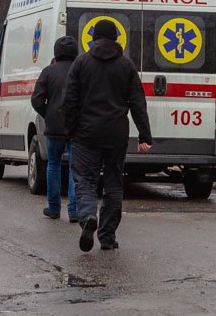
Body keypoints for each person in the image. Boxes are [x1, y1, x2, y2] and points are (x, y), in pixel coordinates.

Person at [64, 19, 152, 253]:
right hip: (116, 134)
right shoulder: (126, 65)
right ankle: (107, 236)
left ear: (94, 38)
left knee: (85, 179)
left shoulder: (81, 62)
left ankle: (87, 216)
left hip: (86, 133)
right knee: (114, 184)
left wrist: (70, 129)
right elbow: (137, 102)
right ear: (116, 39)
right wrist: (145, 135)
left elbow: (70, 99)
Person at [31, 36, 78, 222]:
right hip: (77, 126)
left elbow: (36, 100)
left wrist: (48, 113)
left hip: (54, 125)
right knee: (76, 169)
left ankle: (54, 207)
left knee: (53, 165)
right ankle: (74, 210)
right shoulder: (80, 71)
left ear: (56, 53)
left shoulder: (48, 72)